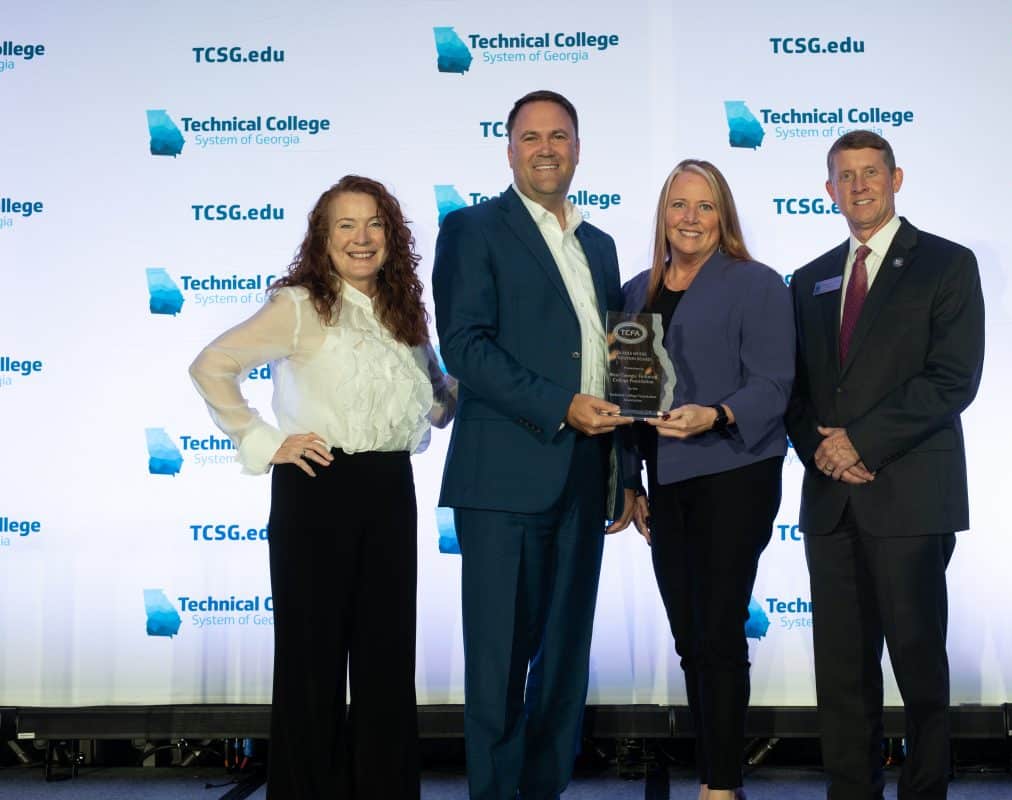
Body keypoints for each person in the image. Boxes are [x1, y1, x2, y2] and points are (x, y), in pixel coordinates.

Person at [189, 175, 455, 799]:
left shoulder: (404, 310)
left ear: (391, 235)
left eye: (375, 224)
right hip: (318, 488)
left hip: (390, 489)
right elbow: (211, 365)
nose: (362, 239)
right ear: (323, 237)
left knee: (386, 662)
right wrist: (261, 440)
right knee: (312, 663)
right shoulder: (299, 305)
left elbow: (441, 403)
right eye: (346, 226)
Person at [431, 90, 632, 800]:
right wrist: (560, 406)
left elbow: (619, 364)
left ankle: (544, 790)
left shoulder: (600, 245)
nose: (546, 147)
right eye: (530, 136)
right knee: (498, 662)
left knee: (564, 659)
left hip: (584, 475)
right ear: (508, 147)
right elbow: (465, 347)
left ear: (578, 148)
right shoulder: (472, 229)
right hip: (504, 477)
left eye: (559, 135)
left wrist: (625, 473)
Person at [785, 131, 985, 800]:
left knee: (920, 668)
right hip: (830, 499)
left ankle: (925, 793)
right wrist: (821, 449)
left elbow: (952, 379)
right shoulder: (808, 277)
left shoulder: (947, 265)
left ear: (896, 179)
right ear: (829, 190)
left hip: (909, 497)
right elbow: (795, 390)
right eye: (845, 175)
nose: (859, 185)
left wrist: (859, 443)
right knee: (841, 673)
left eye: (871, 172)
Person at [616, 159, 794, 800]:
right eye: (678, 205)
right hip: (665, 483)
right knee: (690, 633)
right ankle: (717, 769)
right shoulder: (636, 290)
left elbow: (775, 385)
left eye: (705, 206)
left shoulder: (757, 283)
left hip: (733, 472)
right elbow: (629, 394)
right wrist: (631, 481)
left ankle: (720, 783)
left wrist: (715, 414)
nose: (690, 219)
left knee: (718, 629)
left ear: (724, 217)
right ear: (663, 213)